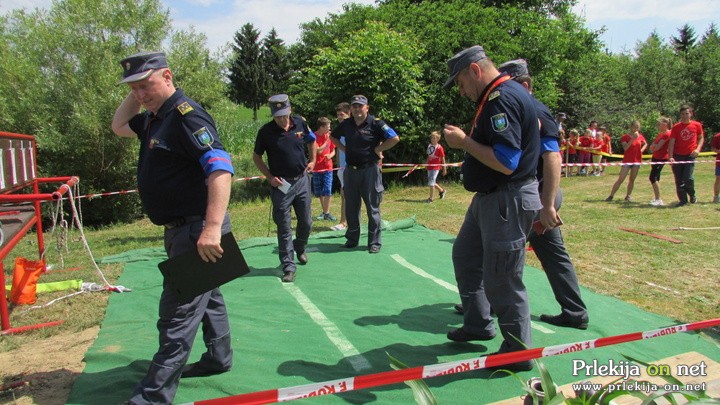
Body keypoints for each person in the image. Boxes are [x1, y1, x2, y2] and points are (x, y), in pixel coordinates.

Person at [111, 51, 235, 404]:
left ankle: (151, 398)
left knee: (176, 318)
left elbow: (220, 170)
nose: (139, 94)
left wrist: (211, 229)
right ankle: (219, 358)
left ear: (167, 76)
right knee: (208, 298)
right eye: (133, 88)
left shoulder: (185, 117)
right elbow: (119, 126)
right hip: (182, 229)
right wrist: (137, 89)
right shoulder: (155, 117)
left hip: (198, 230)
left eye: (145, 85)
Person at [442, 46, 541, 371]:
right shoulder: (499, 96)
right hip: (490, 198)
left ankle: (518, 353)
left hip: (506, 198)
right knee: (466, 255)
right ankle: (478, 323)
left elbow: (506, 162)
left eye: (460, 83)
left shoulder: (502, 99)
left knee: (503, 277)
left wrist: (463, 143)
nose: (461, 91)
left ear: (474, 70)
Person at [497, 59, 589, 330]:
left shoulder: (536, 111)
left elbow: (552, 157)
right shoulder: (526, 109)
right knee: (552, 254)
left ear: (526, 85)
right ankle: (575, 312)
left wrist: (547, 204)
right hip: (539, 195)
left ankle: (485, 306)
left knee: (503, 251)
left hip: (537, 195)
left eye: (511, 86)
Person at [253, 94, 317, 282]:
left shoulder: (300, 123)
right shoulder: (265, 132)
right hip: (281, 184)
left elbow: (312, 140)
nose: (282, 119)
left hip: (302, 180)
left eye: (284, 115)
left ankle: (300, 247)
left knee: (306, 222)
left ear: (290, 111)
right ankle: (288, 265)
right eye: (277, 116)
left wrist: (312, 160)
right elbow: (256, 157)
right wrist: (270, 177)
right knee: (283, 226)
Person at [330, 95, 400, 254]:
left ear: (367, 108)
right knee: (351, 207)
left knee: (372, 207)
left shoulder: (376, 124)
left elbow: (394, 138)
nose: (357, 109)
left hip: (370, 170)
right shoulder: (346, 124)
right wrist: (344, 149)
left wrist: (378, 150)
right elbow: (333, 137)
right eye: (354, 106)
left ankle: (374, 242)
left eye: (360, 106)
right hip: (350, 171)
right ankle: (352, 239)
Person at [667, 105, 704, 206]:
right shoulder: (676, 127)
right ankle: (683, 200)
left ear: (691, 114)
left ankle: (692, 195)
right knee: (679, 179)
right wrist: (670, 156)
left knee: (688, 178)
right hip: (677, 156)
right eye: (682, 114)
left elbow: (701, 138)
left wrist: (697, 149)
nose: (684, 116)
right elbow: (671, 143)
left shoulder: (697, 125)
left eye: (686, 114)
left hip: (690, 155)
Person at [605, 121, 648, 202]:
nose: (636, 129)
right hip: (627, 161)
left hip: (637, 161)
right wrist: (633, 139)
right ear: (631, 127)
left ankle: (628, 195)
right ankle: (611, 195)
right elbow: (625, 148)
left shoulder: (640, 136)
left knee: (632, 179)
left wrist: (641, 151)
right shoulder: (625, 137)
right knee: (621, 179)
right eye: (635, 127)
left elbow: (645, 144)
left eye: (637, 127)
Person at [330, 102, 352, 231]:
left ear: (349, 114)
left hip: (353, 168)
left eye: (342, 115)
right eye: (338, 115)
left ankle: (345, 222)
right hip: (342, 168)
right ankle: (344, 222)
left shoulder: (353, 129)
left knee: (348, 195)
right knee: (344, 194)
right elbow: (338, 149)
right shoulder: (339, 130)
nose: (339, 117)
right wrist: (338, 166)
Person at [312, 116, 337, 221]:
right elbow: (318, 151)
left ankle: (327, 212)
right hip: (316, 167)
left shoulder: (329, 136)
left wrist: (330, 156)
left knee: (327, 189)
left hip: (328, 168)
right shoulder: (313, 136)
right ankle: (324, 212)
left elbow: (333, 151)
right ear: (321, 127)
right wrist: (326, 141)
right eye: (328, 126)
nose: (329, 129)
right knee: (319, 192)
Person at [648, 117, 673, 206]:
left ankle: (659, 199)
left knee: (652, 177)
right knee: (656, 178)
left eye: (659, 124)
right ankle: (656, 197)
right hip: (655, 157)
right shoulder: (660, 134)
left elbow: (657, 147)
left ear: (665, 124)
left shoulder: (667, 134)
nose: (658, 126)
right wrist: (654, 146)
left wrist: (654, 146)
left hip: (661, 158)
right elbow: (652, 147)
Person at [425, 130, 447, 203]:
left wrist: (444, 169)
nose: (432, 139)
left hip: (436, 167)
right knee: (432, 181)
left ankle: (430, 198)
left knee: (431, 182)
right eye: (431, 138)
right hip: (429, 166)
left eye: (434, 138)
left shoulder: (439, 148)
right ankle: (442, 191)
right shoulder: (429, 146)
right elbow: (428, 156)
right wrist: (426, 164)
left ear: (438, 139)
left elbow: (443, 158)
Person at [711, 132, 720, 203]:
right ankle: (716, 197)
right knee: (718, 179)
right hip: (719, 163)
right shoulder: (717, 136)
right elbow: (713, 148)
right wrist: (718, 151)